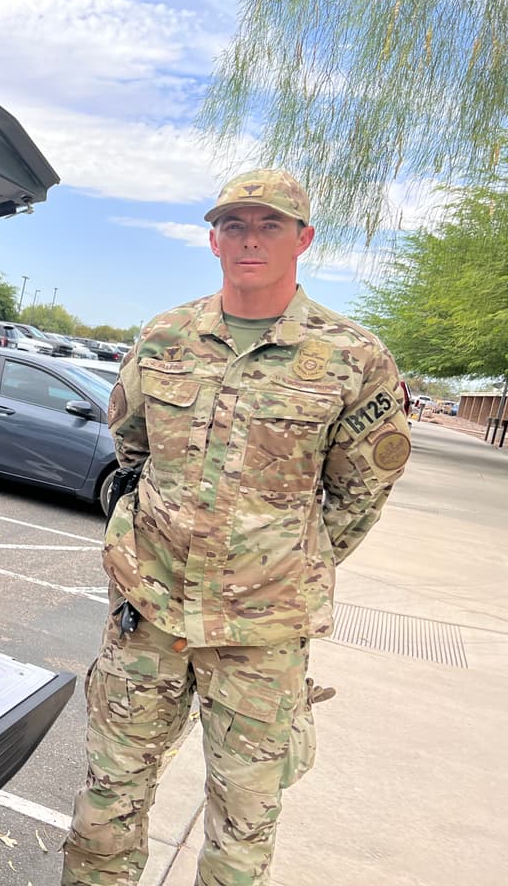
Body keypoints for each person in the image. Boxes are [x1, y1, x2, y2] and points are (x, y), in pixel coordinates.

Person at [62, 169, 410, 886]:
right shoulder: (165, 339)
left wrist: (280, 561)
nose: (251, 239)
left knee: (242, 827)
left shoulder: (352, 358)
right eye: (235, 226)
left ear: (303, 239)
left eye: (270, 225)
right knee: (107, 807)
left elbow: (359, 492)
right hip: (148, 618)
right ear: (214, 240)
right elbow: (132, 449)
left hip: (262, 639)